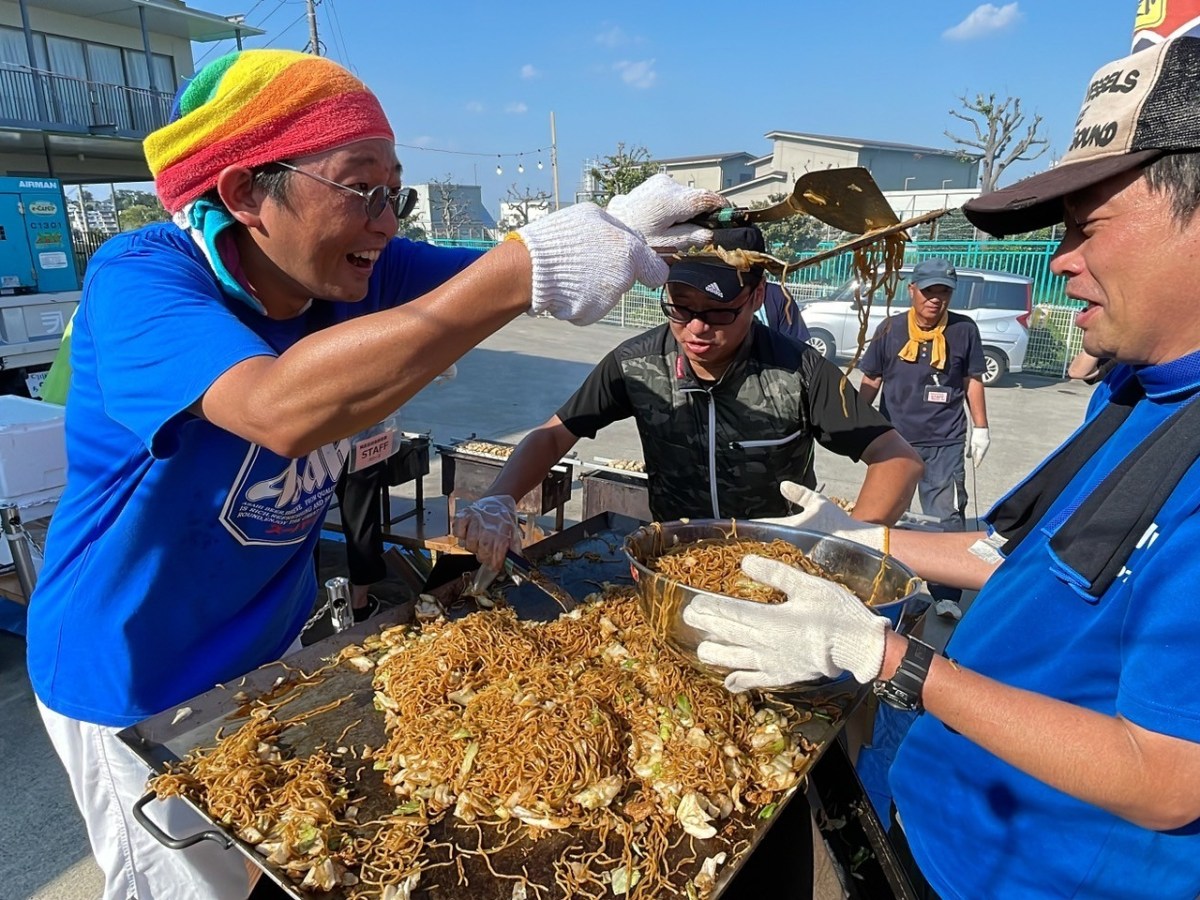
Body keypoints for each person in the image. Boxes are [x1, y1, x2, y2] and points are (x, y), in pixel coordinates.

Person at [24, 49, 726, 900]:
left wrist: (606, 227)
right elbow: (281, 412)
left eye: (396, 193)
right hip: (135, 672)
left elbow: (495, 275)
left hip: (268, 643)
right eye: (361, 188)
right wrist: (522, 267)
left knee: (278, 852)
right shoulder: (143, 279)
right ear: (246, 192)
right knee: (186, 888)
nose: (387, 222)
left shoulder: (364, 273)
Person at [681, 35, 1200, 899]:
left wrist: (893, 661)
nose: (1063, 260)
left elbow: (1168, 776)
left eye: (1086, 226)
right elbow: (1015, 557)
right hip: (933, 828)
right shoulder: (1138, 393)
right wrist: (855, 534)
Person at [453, 224, 923, 571]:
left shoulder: (797, 369)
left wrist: (849, 540)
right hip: (675, 564)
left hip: (776, 567)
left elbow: (897, 459)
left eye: (718, 312)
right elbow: (554, 437)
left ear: (757, 296)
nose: (696, 329)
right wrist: (498, 500)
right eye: (680, 307)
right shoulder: (637, 364)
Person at [857, 258, 989, 609]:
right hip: (894, 440)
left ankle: (946, 595)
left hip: (944, 439)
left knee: (945, 519)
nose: (936, 299)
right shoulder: (889, 329)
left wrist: (981, 428)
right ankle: (873, 583)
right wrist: (852, 421)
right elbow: (871, 379)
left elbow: (971, 379)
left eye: (943, 292)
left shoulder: (964, 330)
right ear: (912, 290)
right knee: (881, 515)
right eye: (929, 291)